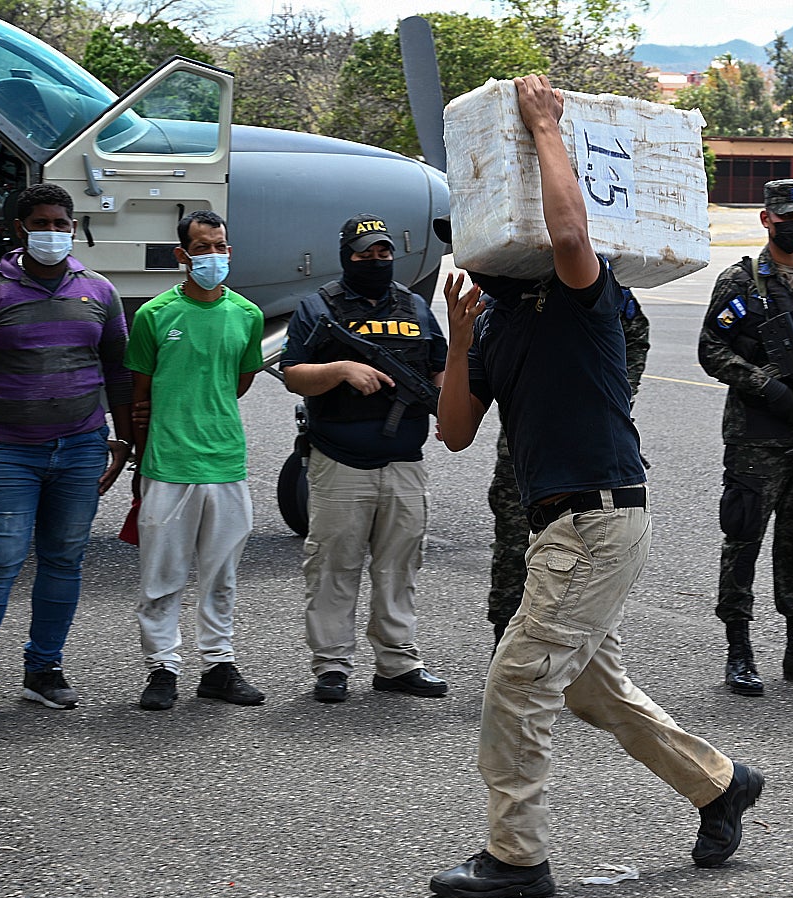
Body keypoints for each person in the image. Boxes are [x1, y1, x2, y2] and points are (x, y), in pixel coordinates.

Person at [431, 74, 761, 898]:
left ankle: (516, 856)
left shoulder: (584, 299)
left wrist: (545, 127)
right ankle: (720, 785)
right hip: (564, 528)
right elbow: (456, 430)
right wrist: (461, 338)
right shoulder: (500, 325)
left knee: (516, 682)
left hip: (595, 520)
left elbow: (573, 231)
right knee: (588, 686)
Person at [0, 182, 133, 724]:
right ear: (20, 229)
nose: (53, 233)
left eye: (61, 224)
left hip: (80, 448)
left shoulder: (99, 292)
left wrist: (125, 439)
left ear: (73, 228)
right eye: (41, 223)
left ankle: (44, 670)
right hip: (5, 450)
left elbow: (117, 368)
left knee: (65, 560)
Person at [281, 214, 449, 703]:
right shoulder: (320, 307)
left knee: (400, 567)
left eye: (383, 253)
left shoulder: (414, 305)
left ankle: (397, 663)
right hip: (340, 459)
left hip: (404, 459)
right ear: (345, 255)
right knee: (334, 566)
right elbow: (293, 374)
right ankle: (332, 665)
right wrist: (340, 369)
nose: (375, 261)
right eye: (364, 253)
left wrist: (439, 406)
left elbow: (438, 366)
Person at [697, 178, 793, 695]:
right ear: (766, 219)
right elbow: (711, 350)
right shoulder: (741, 283)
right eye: (786, 218)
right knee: (743, 540)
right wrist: (767, 385)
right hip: (756, 437)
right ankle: (738, 651)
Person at [124, 209, 266, 711]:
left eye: (220, 246)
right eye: (202, 248)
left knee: (221, 577)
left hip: (226, 464)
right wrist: (139, 460)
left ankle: (218, 666)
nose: (213, 256)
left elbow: (239, 380)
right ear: (182, 255)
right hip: (167, 466)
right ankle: (161, 668)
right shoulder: (154, 316)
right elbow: (139, 394)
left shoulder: (246, 315)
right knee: (161, 577)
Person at [486, 288, 650, 644]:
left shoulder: (595, 285)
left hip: (588, 445)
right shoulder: (508, 292)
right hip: (528, 449)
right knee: (516, 552)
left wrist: (618, 389)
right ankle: (506, 648)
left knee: (587, 559)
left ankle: (579, 655)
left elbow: (636, 335)